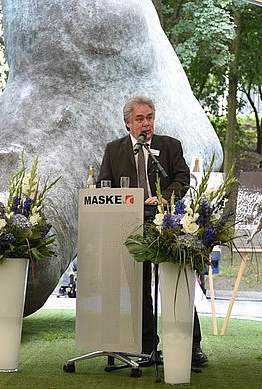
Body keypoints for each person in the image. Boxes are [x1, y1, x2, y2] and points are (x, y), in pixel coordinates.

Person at [98, 95, 208, 366]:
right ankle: (147, 348)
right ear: (128, 124)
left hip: (166, 223)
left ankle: (190, 345)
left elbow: (183, 179)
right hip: (130, 225)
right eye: (140, 119)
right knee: (139, 287)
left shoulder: (169, 146)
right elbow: (104, 185)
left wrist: (164, 197)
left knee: (174, 282)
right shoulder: (114, 150)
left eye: (149, 118)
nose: (146, 123)